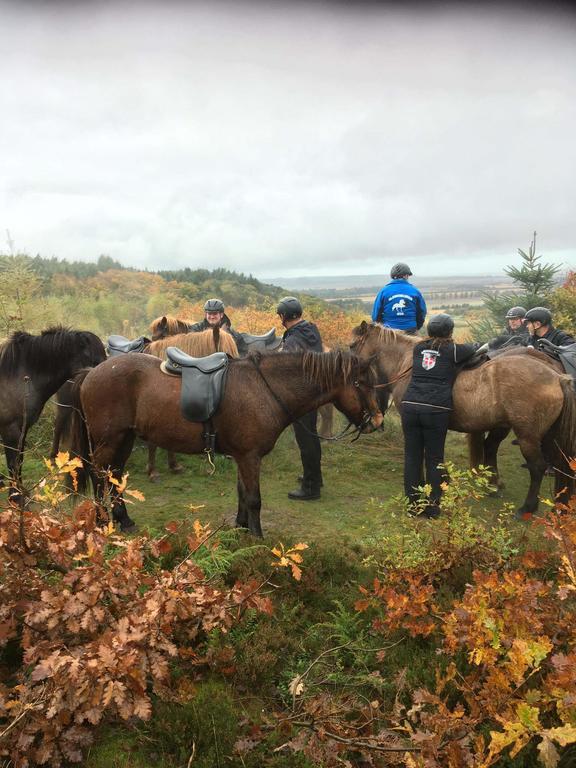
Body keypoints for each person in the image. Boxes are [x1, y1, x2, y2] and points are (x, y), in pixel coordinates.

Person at [401, 314, 478, 518]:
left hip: (409, 406)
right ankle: (433, 507)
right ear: (450, 331)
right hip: (435, 409)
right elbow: (474, 348)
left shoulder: (418, 348)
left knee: (412, 457)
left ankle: (413, 506)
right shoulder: (452, 350)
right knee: (434, 458)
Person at [276, 296, 323, 501]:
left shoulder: (294, 339)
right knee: (312, 437)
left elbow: (287, 368)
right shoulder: (311, 329)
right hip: (314, 392)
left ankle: (311, 488)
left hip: (301, 395)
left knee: (306, 441)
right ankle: (315, 477)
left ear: (283, 316)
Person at [371, 263, 427, 334]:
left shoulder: (384, 291)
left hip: (389, 331)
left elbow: (376, 314)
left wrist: (383, 327)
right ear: (406, 276)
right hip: (410, 330)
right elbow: (422, 312)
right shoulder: (415, 291)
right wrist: (416, 327)